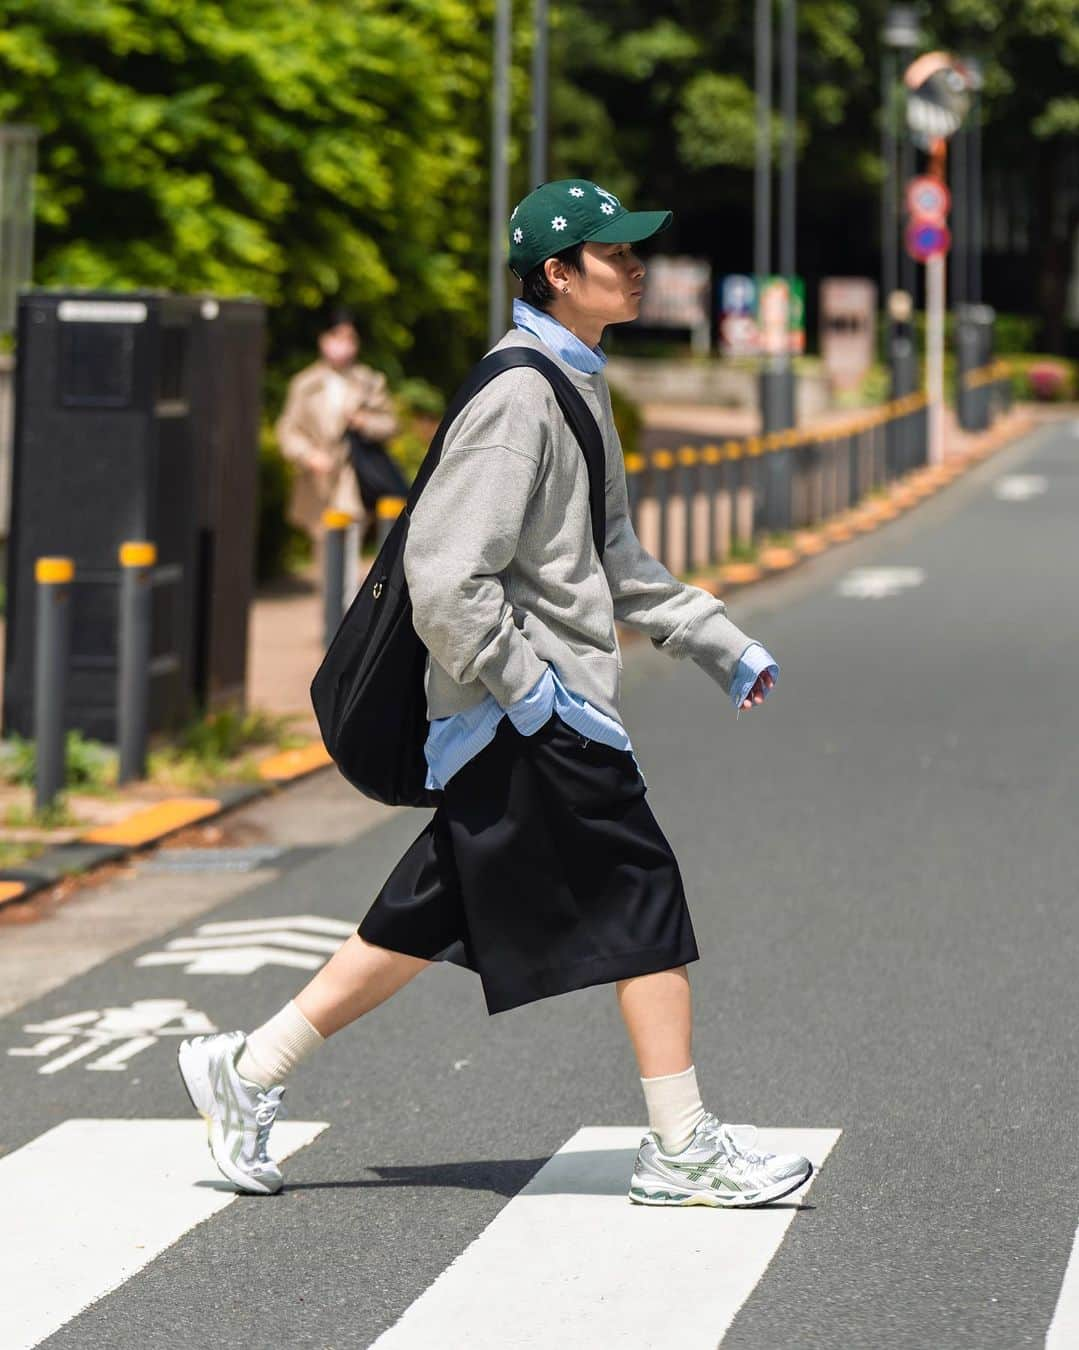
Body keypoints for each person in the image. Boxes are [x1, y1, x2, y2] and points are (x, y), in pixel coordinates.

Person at [179, 179, 813, 1209]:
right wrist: (532, 696)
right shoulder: (521, 395)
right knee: (645, 899)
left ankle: (248, 1071)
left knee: (434, 906)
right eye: (614, 254)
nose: (636, 265)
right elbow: (446, 577)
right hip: (535, 711)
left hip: (533, 709)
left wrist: (719, 643)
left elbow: (609, 557)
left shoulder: (572, 376)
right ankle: (682, 1143)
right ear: (559, 274)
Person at [275, 306, 403, 572]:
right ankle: (332, 611)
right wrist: (308, 455)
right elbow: (288, 430)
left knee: (348, 551)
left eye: (350, 339)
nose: (343, 346)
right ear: (323, 339)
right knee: (325, 558)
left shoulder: (369, 381)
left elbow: (390, 424)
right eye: (337, 337)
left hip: (353, 476)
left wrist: (363, 421)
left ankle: (345, 610)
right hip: (318, 482)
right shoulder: (304, 383)